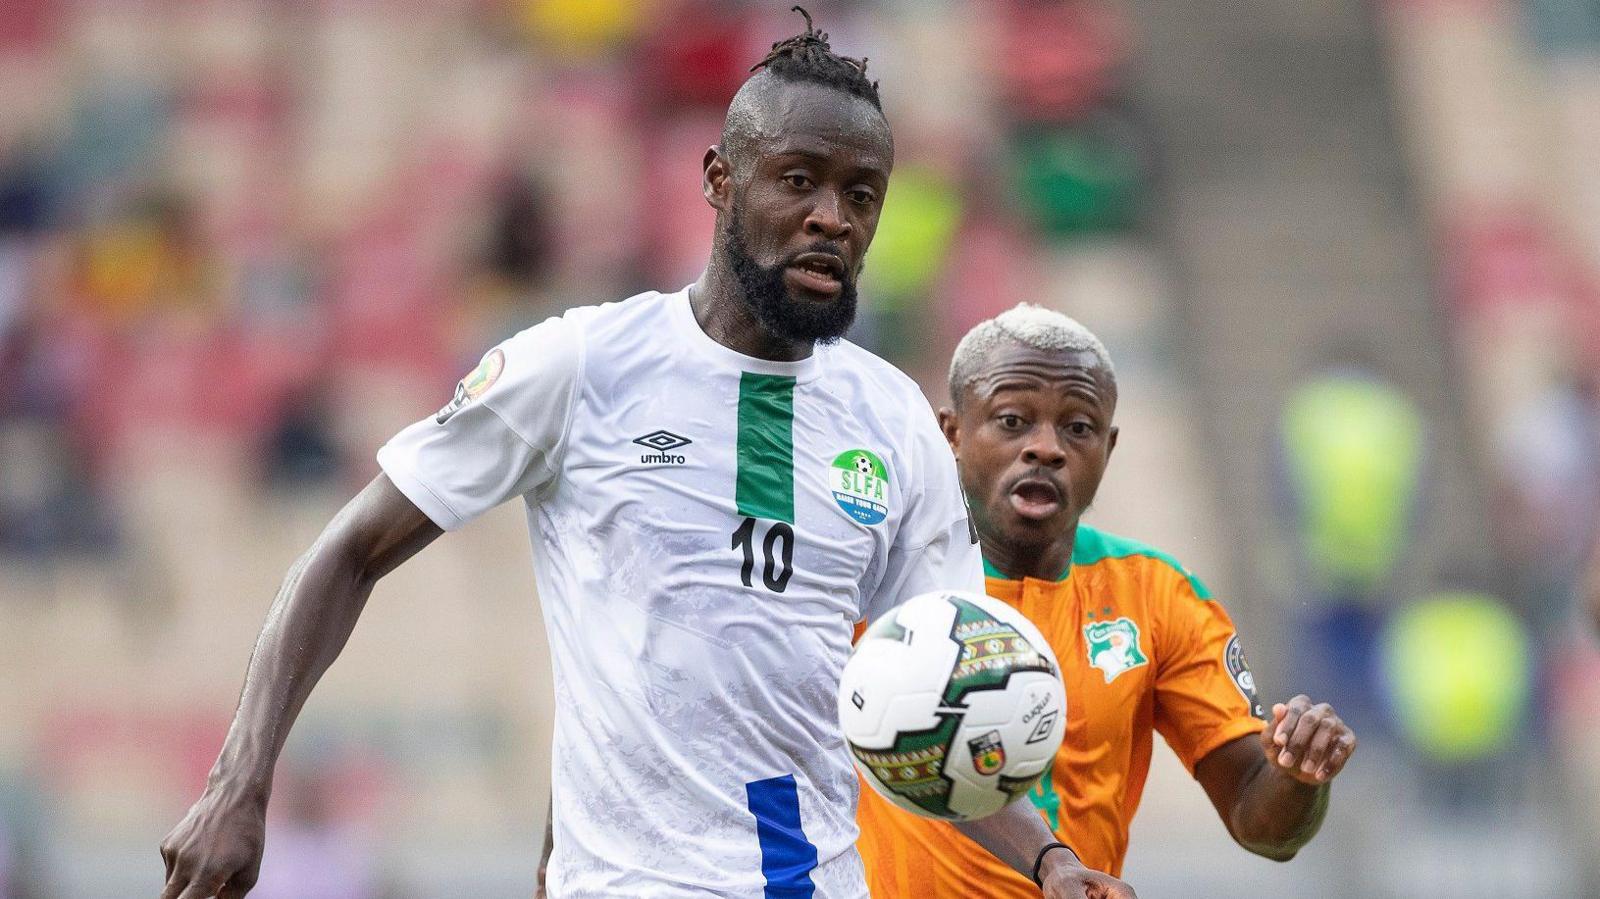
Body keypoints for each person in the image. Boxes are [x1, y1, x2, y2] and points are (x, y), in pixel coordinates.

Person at [158, 11, 1135, 899]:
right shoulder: (583, 367)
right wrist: (239, 784)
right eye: (798, 179)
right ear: (719, 179)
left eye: (860, 193)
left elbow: (934, 724)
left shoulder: (894, 423)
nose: (832, 217)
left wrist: (1049, 861)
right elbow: (345, 550)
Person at [856, 305, 1358, 896]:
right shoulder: (872, 579)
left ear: (1109, 447)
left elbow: (1261, 824)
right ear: (953, 434)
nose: (1046, 448)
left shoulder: (1157, 595)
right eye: (1014, 421)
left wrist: (1299, 774)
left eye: (1078, 427)